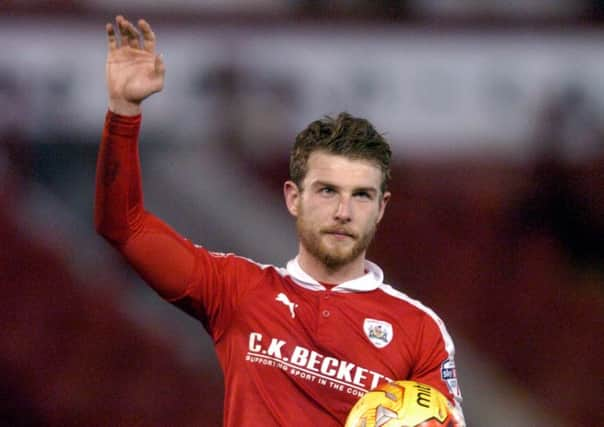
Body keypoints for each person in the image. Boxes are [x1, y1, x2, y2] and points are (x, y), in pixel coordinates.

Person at [95, 15, 465, 427]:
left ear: (381, 207)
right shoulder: (236, 292)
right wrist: (123, 112)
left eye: (361, 195)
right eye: (327, 191)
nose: (344, 212)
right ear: (293, 198)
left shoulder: (419, 331)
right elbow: (123, 226)